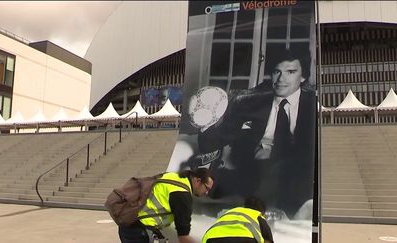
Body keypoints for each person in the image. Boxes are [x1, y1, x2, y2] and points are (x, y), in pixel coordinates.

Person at [192, 48, 316, 219]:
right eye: (276, 72)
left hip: (292, 171)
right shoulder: (249, 104)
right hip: (251, 168)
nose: (281, 79)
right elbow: (215, 141)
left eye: (291, 72)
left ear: (303, 77)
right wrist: (205, 124)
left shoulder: (311, 106)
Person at [118, 168, 214, 243]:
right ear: (198, 181)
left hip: (128, 223)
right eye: (207, 188)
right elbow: (183, 237)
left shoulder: (172, 176)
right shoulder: (183, 195)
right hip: (140, 230)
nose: (207, 193)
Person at [202, 196, 274, 243]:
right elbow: (268, 241)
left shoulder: (229, 212)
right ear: (261, 211)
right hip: (245, 240)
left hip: (211, 239)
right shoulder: (257, 215)